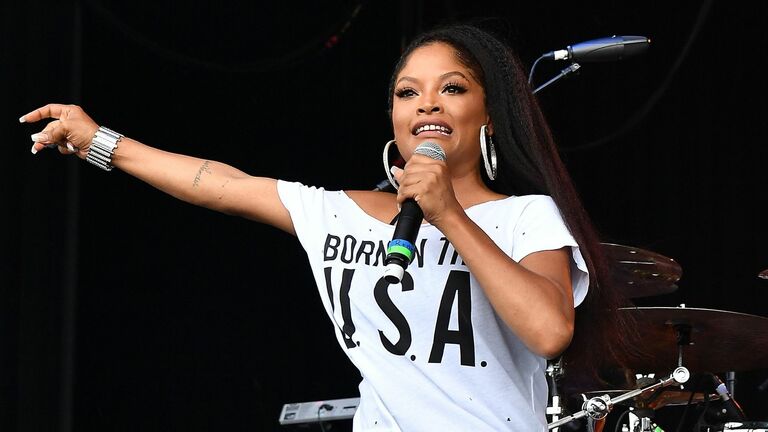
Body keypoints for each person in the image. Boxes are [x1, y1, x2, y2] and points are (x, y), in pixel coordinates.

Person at [21, 22, 634, 432]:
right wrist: (96, 140)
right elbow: (222, 184)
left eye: (452, 88)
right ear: (393, 117)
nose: (427, 103)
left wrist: (447, 214)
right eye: (407, 93)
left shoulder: (525, 216)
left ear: (489, 116)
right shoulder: (338, 213)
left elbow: (550, 330)